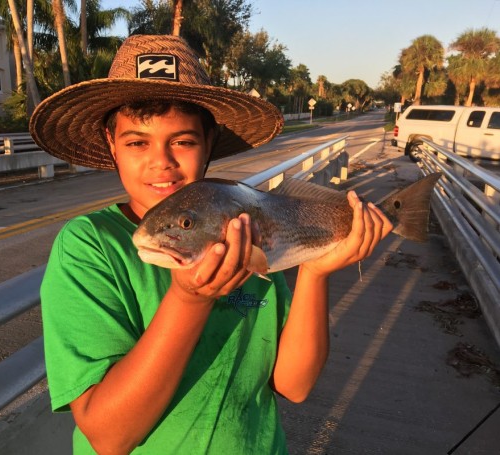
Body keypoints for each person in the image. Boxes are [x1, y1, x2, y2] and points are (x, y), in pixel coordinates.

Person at [30, 34, 392, 454]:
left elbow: (294, 385)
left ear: (209, 143)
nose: (161, 161)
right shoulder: (89, 247)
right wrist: (190, 299)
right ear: (112, 144)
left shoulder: (242, 228)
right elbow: (109, 437)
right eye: (136, 142)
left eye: (182, 141)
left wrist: (315, 270)